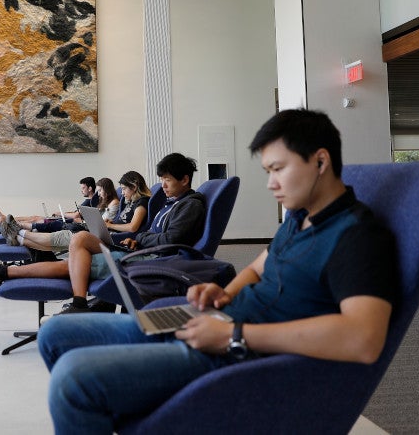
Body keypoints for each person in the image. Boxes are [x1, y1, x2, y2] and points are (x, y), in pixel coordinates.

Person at [36, 109, 398, 435]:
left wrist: (233, 335)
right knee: (54, 333)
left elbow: (363, 339)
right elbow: (260, 265)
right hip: (215, 323)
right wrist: (224, 295)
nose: (271, 184)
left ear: (320, 161)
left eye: (278, 169)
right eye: (268, 171)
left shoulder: (357, 235)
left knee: (73, 381)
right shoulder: (300, 219)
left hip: (241, 356)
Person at [59, 153, 206, 315]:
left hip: (154, 260)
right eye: (162, 179)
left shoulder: (190, 205)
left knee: (74, 262)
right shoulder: (171, 203)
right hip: (142, 251)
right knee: (78, 251)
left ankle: (80, 304)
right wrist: (140, 240)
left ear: (184, 180)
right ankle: (97, 302)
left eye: (168, 180)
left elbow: (168, 239)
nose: (163, 185)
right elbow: (152, 232)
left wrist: (141, 238)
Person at [0, 173, 151, 288]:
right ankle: (15, 235)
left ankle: (14, 235)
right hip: (106, 238)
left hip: (113, 243)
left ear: (134, 187)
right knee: (58, 239)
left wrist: (109, 225)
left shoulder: (141, 203)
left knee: (68, 244)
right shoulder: (128, 203)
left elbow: (133, 227)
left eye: (125, 188)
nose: (123, 192)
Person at [0, 177, 123, 253]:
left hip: (87, 233)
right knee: (50, 240)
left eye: (100, 190)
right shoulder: (100, 202)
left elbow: (103, 223)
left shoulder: (112, 203)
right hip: (86, 229)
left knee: (51, 235)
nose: (99, 193)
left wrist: (81, 221)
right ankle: (14, 232)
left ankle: (14, 229)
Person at [0, 177, 98, 232]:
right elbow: (76, 213)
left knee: (35, 218)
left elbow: (76, 215)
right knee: (34, 217)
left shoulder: (91, 201)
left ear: (90, 188)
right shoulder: (89, 201)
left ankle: (7, 221)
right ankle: (7, 220)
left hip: (69, 223)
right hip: (66, 220)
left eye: (83, 188)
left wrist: (60, 213)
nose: (81, 191)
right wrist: (63, 213)